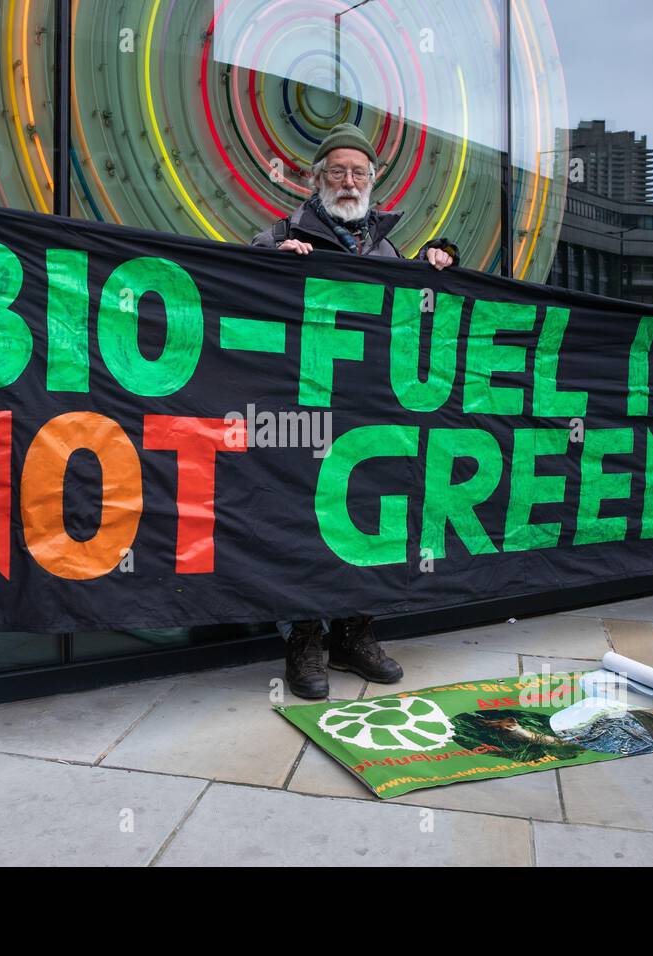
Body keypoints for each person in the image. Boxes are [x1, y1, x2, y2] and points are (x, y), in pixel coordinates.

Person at [251, 123, 459, 699]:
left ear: (372, 181)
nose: (348, 181)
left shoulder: (389, 251)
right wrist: (273, 259)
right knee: (302, 519)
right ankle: (306, 638)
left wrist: (437, 263)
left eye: (358, 172)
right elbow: (240, 287)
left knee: (368, 515)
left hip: (370, 416)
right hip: (304, 412)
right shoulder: (286, 234)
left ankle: (354, 632)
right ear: (318, 180)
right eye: (337, 171)